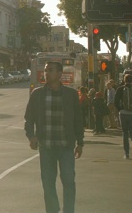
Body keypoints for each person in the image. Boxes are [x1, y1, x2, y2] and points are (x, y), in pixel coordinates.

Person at [25, 61, 84, 213]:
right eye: (45, 70)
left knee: (69, 182)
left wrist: (80, 143)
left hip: (66, 147)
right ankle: (52, 209)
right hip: (47, 147)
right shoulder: (37, 94)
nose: (46, 73)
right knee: (48, 183)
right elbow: (29, 118)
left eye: (50, 70)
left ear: (59, 74)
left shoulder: (70, 94)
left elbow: (78, 119)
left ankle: (68, 210)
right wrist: (31, 136)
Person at [115, 74, 132, 160]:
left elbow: (116, 101)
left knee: (125, 132)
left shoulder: (120, 89)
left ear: (124, 80)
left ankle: (126, 153)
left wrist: (120, 109)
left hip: (123, 113)